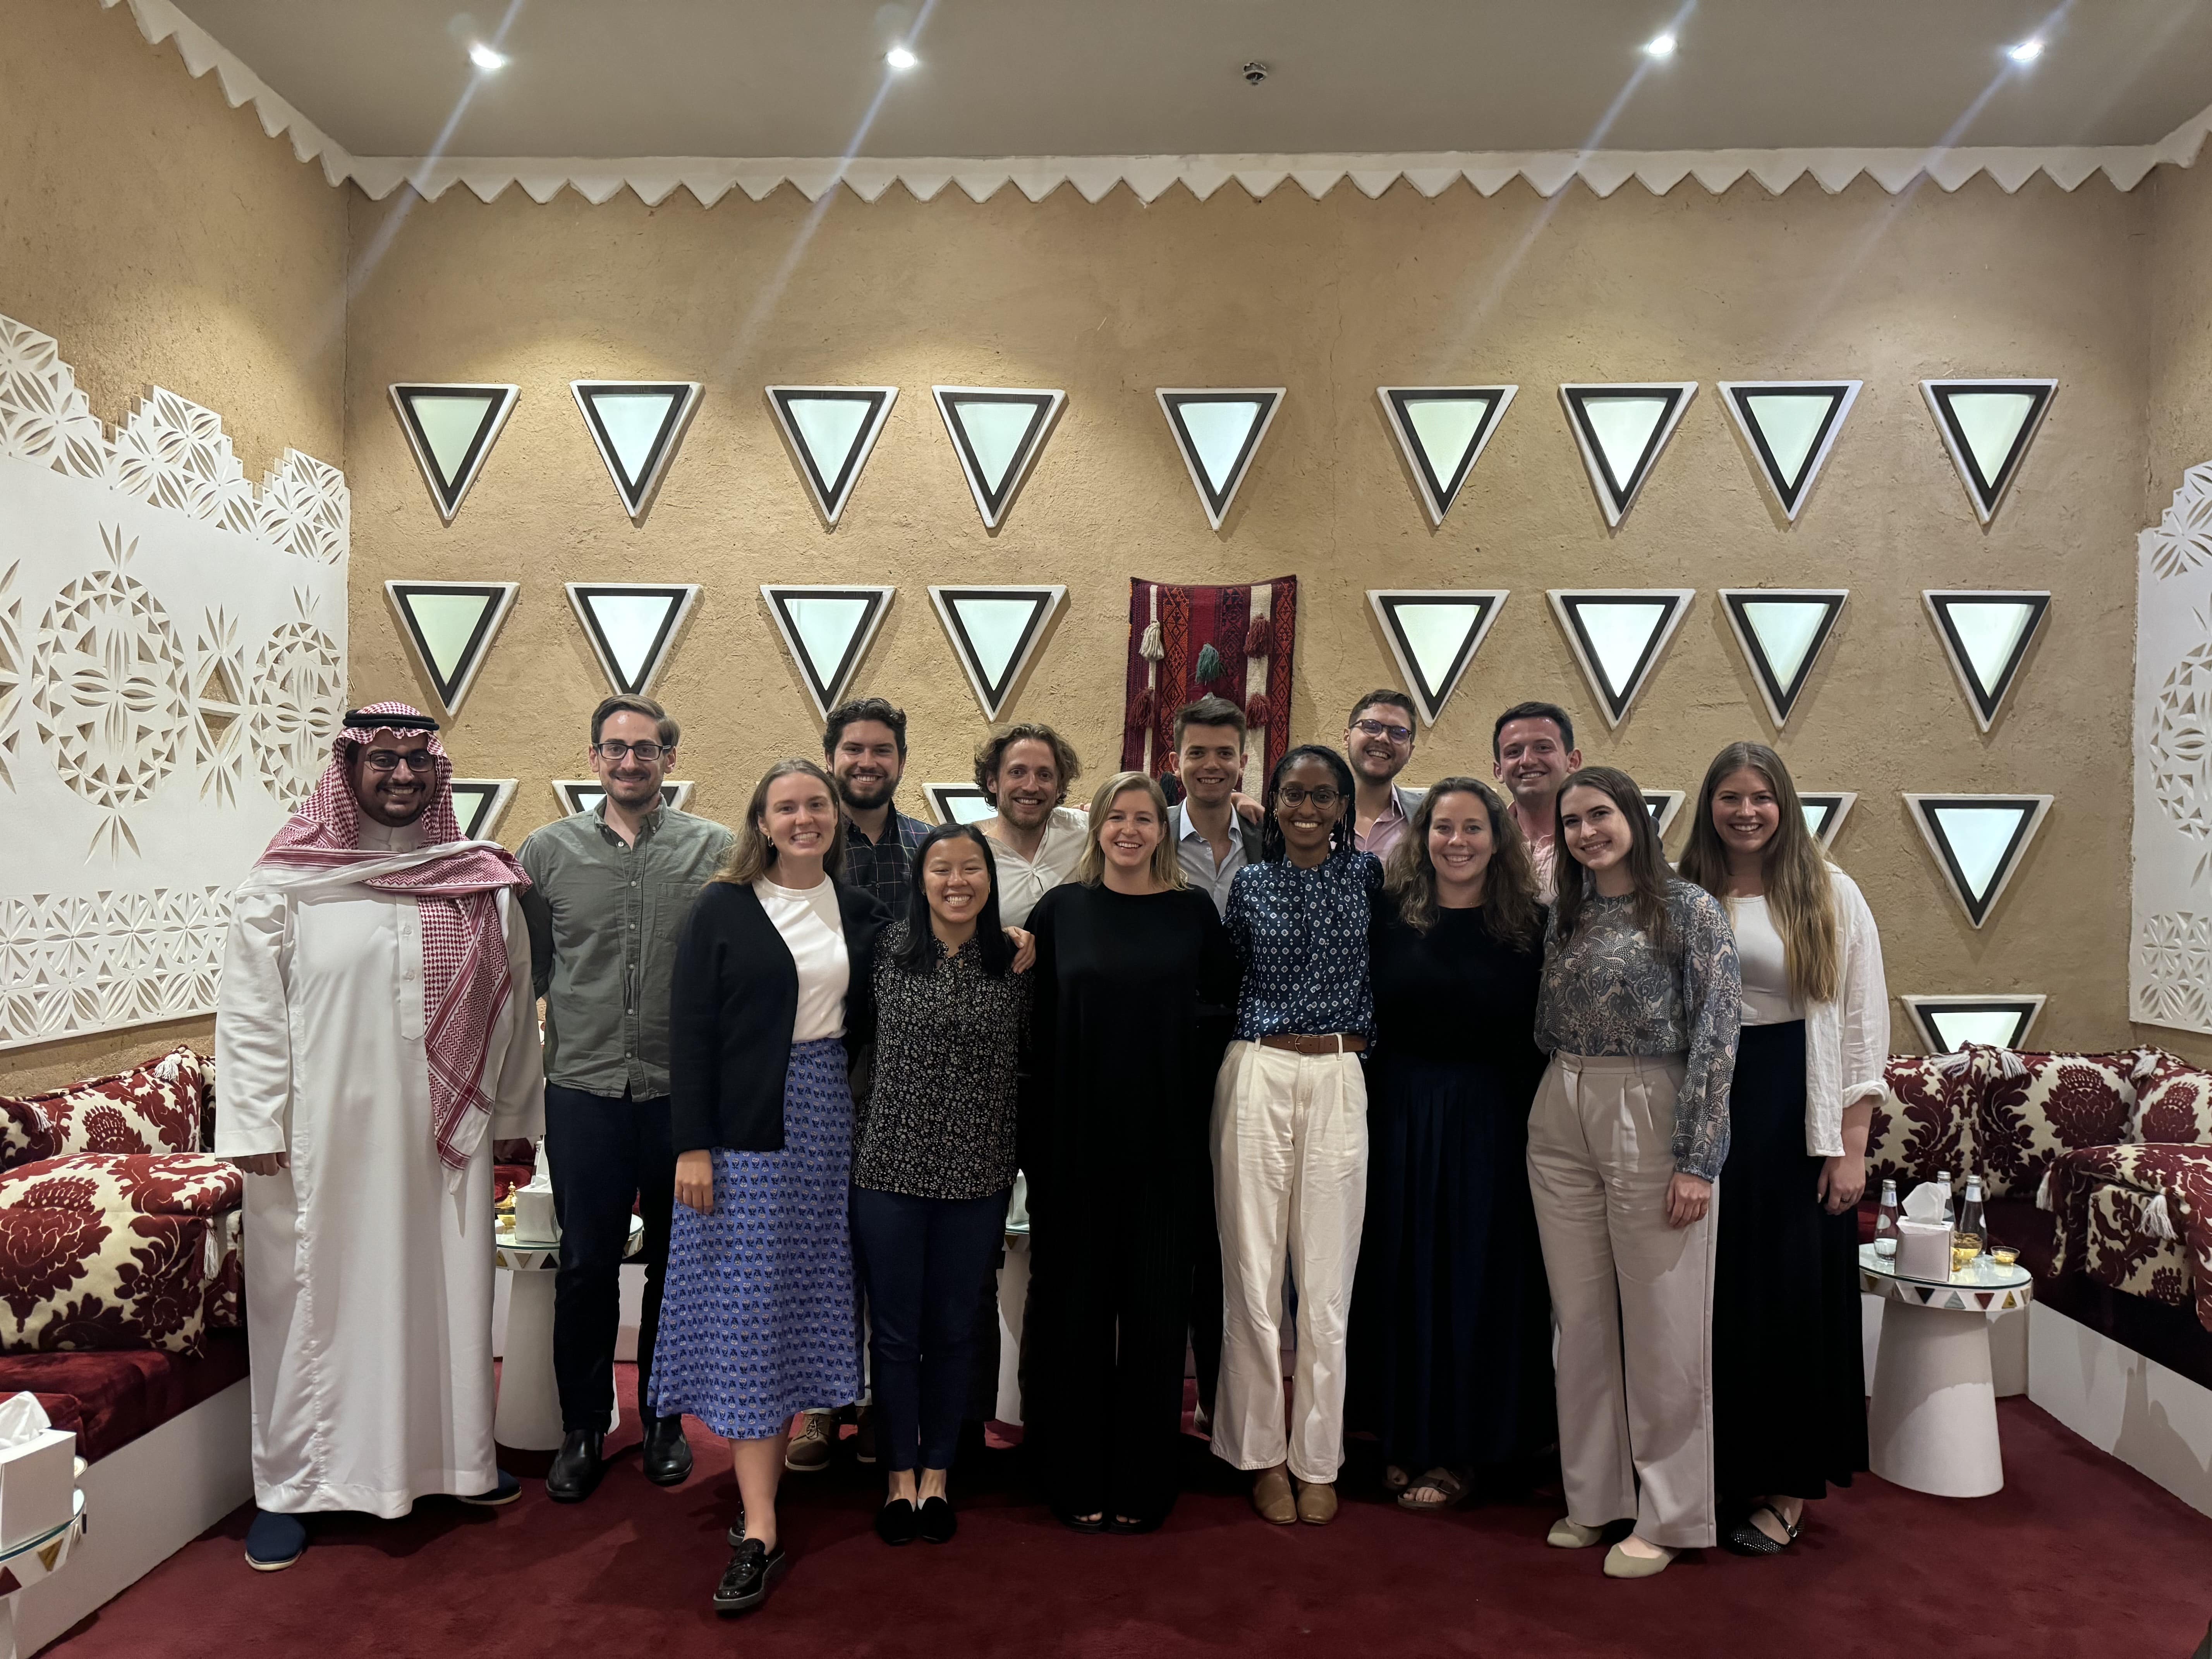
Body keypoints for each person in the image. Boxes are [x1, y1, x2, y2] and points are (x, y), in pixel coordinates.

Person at [216, 704, 542, 1571]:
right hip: (318, 1144)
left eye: (417, 763)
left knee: (447, 1295)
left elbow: (511, 1008)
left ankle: (455, 1463)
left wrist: (511, 1120)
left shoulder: (477, 881)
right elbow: (249, 1016)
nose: (402, 776)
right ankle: (294, 1488)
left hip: (445, 1144)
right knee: (314, 1313)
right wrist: (251, 1121)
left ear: (440, 775)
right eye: (383, 762)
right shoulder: (284, 884)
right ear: (348, 770)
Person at [653, 759, 890, 1614]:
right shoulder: (723, 906)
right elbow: (691, 1028)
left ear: (835, 816)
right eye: (786, 807)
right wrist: (693, 1147)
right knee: (751, 1312)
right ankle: (759, 1522)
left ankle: (777, 1477)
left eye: (816, 805)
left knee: (798, 1301)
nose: (804, 818)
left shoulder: (860, 912)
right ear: (762, 819)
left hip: (830, 1123)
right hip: (743, 1133)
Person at [1529, 765, 1740, 1579]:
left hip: (1649, 1104)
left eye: (1602, 815)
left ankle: (1672, 1514)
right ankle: (1593, 1499)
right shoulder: (1569, 913)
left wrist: (1696, 1158)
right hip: (1561, 1106)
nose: (1588, 832)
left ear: (1635, 819)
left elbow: (1719, 1039)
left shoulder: (1688, 910)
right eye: (1574, 821)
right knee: (1579, 1321)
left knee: (1663, 1323)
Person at [519, 694, 731, 1502]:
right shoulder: (546, 852)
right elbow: (527, 970)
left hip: (680, 1096)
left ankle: (668, 1421)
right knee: (585, 1268)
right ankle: (584, 1426)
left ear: (670, 759)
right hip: (584, 1092)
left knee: (681, 1267)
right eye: (616, 748)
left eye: (647, 749)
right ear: (594, 758)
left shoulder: (716, 851)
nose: (631, 761)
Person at [1678, 742, 1887, 1556]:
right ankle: (1723, 1468)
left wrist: (1852, 1144)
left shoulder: (1830, 892)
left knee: (1791, 1297)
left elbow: (1864, 1021)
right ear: (1711, 806)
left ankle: (1789, 1486)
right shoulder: (1685, 890)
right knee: (1716, 1299)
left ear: (1784, 803)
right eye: (1729, 797)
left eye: (1760, 797)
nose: (1745, 811)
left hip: (1796, 1110)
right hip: (1708, 1106)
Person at [1022, 772, 1240, 1532]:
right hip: (1074, 1145)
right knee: (1075, 1317)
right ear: (1098, 826)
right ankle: (1074, 1475)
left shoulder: (1192, 915)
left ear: (1161, 829)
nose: (1130, 829)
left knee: (1155, 1318)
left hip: (1167, 1148)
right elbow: (1035, 1029)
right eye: (1118, 816)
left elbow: (1224, 1006)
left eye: (1145, 818)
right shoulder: (1061, 912)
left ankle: (1146, 1481)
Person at [1348, 779, 1554, 1513]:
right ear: (1422, 835)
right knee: (1399, 1272)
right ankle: (1401, 1432)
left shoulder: (1532, 925)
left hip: (1494, 1119)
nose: (1457, 840)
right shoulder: (1387, 915)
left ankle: (1466, 1445)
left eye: (1473, 827)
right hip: (1398, 1112)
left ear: (1498, 838)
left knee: (1477, 1278)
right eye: (1443, 827)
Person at [1212, 745, 1383, 1527]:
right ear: (1272, 803)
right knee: (1253, 1276)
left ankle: (1319, 1458)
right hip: (1259, 1069)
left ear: (1345, 807)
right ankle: (1261, 1455)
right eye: (1293, 795)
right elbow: (1230, 978)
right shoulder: (1249, 885)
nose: (1308, 809)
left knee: (1326, 1280)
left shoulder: (1371, 879)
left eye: (1323, 796)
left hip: (1342, 1073)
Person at [852, 824, 1032, 1546]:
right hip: (890, 1167)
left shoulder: (1014, 962)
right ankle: (897, 1476)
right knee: (895, 1332)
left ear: (989, 879)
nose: (957, 880)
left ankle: (938, 1474)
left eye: (971, 868)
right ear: (921, 879)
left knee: (955, 1327)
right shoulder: (885, 955)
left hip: (978, 1172)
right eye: (940, 868)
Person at [793, 696, 929, 1473]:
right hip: (821, 1067)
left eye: (882, 750)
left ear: (901, 762)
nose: (867, 763)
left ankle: (882, 1400)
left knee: (889, 1246)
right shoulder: (804, 847)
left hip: (908, 1072)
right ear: (832, 757)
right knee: (823, 1243)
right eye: (853, 751)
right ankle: (819, 1406)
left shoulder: (929, 846)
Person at [1164, 696, 1265, 1428]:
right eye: (1197, 752)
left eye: (1224, 753)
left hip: (1251, 1047)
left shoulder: (1265, 838)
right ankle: (1159, 1393)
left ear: (1241, 762)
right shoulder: (1144, 834)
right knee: (1176, 1225)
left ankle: (1225, 1406)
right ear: (1175, 761)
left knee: (1233, 1228)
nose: (1210, 764)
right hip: (1168, 1048)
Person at [974, 722, 1088, 927]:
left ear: (1060, 786)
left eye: (1044, 775)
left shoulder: (1086, 831)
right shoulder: (973, 856)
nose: (1031, 786)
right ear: (992, 781)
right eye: (1017, 772)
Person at [1492, 701, 1582, 903]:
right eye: (1513, 752)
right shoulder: (1486, 839)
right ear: (1499, 770)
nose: (1527, 761)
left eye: (1543, 748)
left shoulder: (1597, 838)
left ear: (1573, 761)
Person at [1343, 690, 1425, 860]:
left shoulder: (1426, 817)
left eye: (1398, 733)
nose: (1383, 738)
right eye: (1371, 727)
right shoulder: (1314, 810)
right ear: (1347, 738)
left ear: (1410, 751)